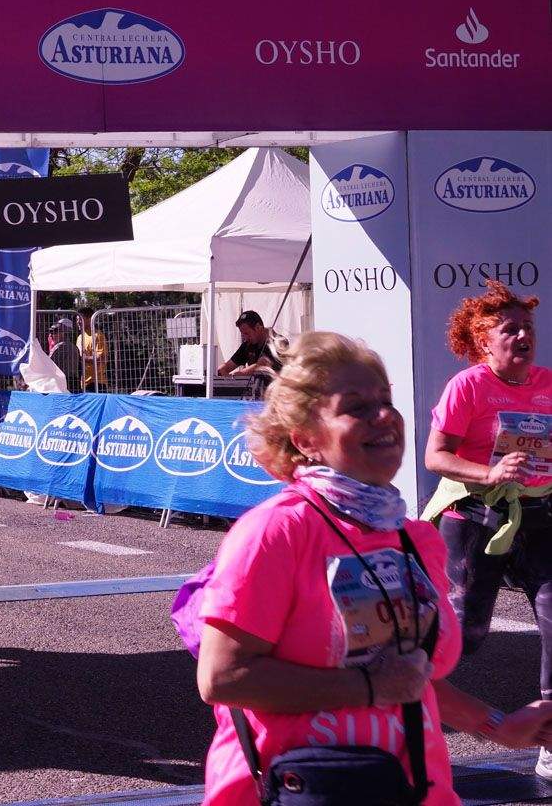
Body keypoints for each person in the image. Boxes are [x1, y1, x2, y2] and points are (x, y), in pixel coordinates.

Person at [196, 331, 552, 804]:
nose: (384, 416)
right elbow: (222, 678)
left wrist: (499, 726)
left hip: (411, 786)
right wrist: (366, 687)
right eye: (357, 407)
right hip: (300, 787)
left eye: (386, 400)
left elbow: (410, 679)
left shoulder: (413, 537)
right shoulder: (276, 531)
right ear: (307, 439)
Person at [421, 280, 552, 777]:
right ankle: (407, 706)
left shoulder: (547, 382)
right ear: (484, 342)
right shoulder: (468, 387)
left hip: (538, 513)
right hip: (476, 514)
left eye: (528, 328)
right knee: (466, 633)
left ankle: (550, 737)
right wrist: (489, 473)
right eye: (510, 328)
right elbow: (437, 456)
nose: (523, 336)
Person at [218, 309, 279, 377]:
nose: (245, 338)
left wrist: (233, 377)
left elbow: (261, 365)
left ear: (258, 327)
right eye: (242, 334)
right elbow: (227, 366)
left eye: (247, 333)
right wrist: (220, 371)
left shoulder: (278, 343)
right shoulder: (249, 344)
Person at [75, 308, 108, 393]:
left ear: (89, 319)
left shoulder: (98, 335)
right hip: (83, 382)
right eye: (77, 319)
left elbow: (99, 358)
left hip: (96, 382)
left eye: (81, 319)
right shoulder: (80, 337)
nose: (78, 322)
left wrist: (81, 358)